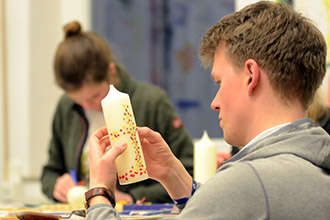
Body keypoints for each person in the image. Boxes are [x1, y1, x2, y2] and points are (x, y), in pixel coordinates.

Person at [85, 1, 330, 219]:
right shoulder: (312, 164)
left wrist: (99, 192)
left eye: (219, 82)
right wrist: (172, 174)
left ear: (250, 76)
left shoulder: (249, 181)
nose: (215, 102)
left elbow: (243, 195)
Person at [40, 21, 194, 204]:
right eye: (78, 101)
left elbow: (188, 171)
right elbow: (49, 172)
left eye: (94, 97)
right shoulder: (66, 107)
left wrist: (131, 197)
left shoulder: (152, 102)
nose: (87, 107)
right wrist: (56, 186)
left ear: (111, 71)